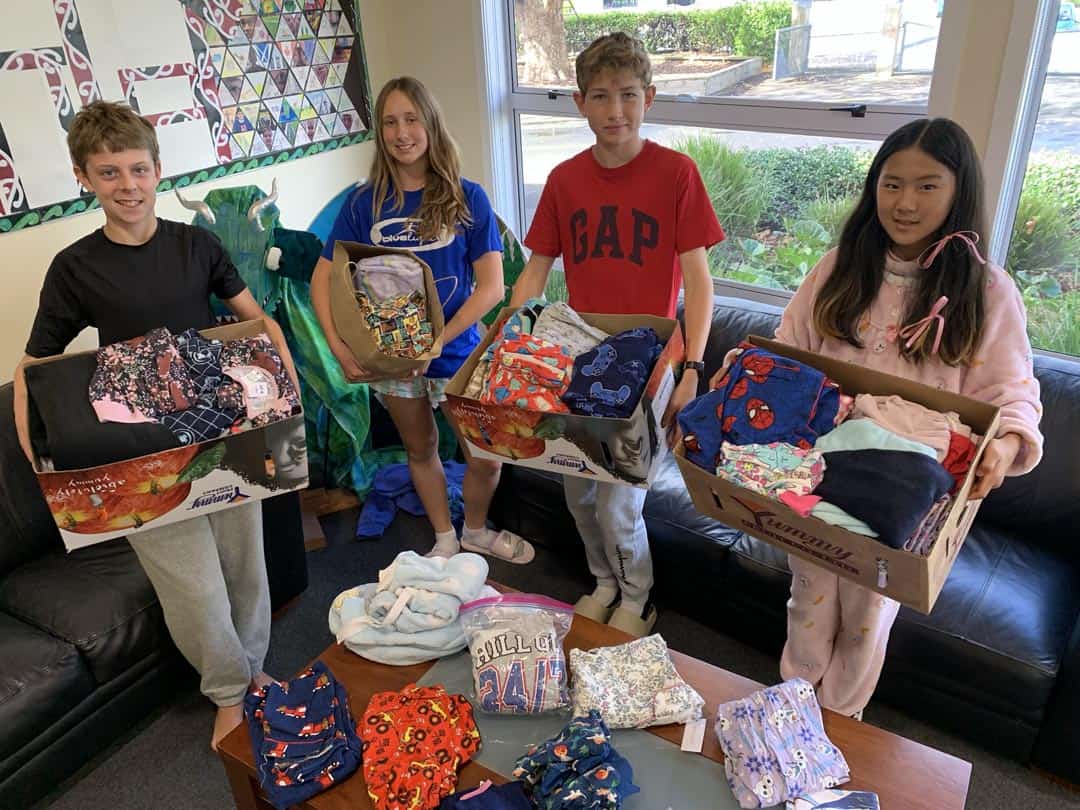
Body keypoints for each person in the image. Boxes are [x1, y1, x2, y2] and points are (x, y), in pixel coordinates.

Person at [12, 100, 300, 750]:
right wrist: (41, 455)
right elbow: (36, 368)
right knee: (194, 590)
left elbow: (253, 322)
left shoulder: (197, 244)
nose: (128, 186)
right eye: (108, 173)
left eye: (137, 169)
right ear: (84, 178)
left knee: (244, 569)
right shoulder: (74, 268)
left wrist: (287, 388)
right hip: (138, 458)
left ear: (158, 170)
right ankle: (228, 693)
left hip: (220, 434)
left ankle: (256, 675)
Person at [759, 117, 1043, 718]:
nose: (905, 203)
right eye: (891, 184)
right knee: (807, 597)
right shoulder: (839, 267)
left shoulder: (988, 291)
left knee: (866, 618)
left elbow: (1014, 391)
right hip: (821, 476)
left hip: (906, 498)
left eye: (927, 186)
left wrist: (1008, 442)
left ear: (958, 190)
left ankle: (839, 721)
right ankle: (790, 709)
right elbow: (787, 348)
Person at [509, 33, 724, 637]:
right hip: (580, 358)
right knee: (577, 490)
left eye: (628, 95)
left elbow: (699, 284)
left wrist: (693, 371)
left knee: (619, 496)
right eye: (600, 97)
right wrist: (504, 341)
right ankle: (601, 582)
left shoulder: (677, 175)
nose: (614, 111)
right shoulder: (563, 180)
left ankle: (638, 596)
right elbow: (534, 271)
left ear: (649, 98)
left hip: (652, 361)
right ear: (579, 102)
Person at [311, 76, 535, 564]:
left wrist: (435, 345)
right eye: (390, 122)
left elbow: (492, 288)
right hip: (392, 360)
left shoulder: (467, 196)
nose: (401, 132)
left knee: (485, 456)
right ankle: (445, 539)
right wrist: (339, 348)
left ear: (431, 125)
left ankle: (475, 531)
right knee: (420, 449)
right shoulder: (362, 203)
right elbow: (323, 279)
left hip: (456, 353)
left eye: (411, 119)